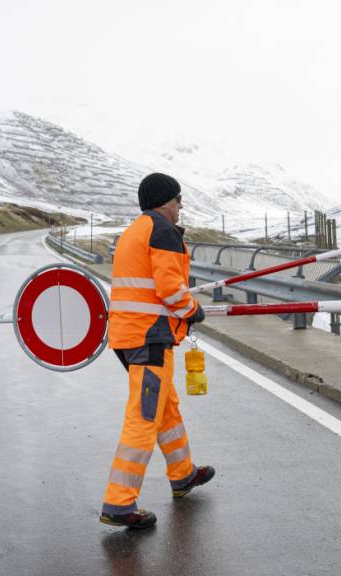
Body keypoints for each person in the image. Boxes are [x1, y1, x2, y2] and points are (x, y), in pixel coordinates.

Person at [99, 172, 215, 530]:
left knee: (165, 407)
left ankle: (182, 474)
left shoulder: (134, 231)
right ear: (167, 201)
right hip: (149, 338)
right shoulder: (162, 232)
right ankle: (119, 503)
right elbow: (169, 288)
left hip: (127, 336)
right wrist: (193, 310)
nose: (181, 207)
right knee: (144, 417)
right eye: (179, 200)